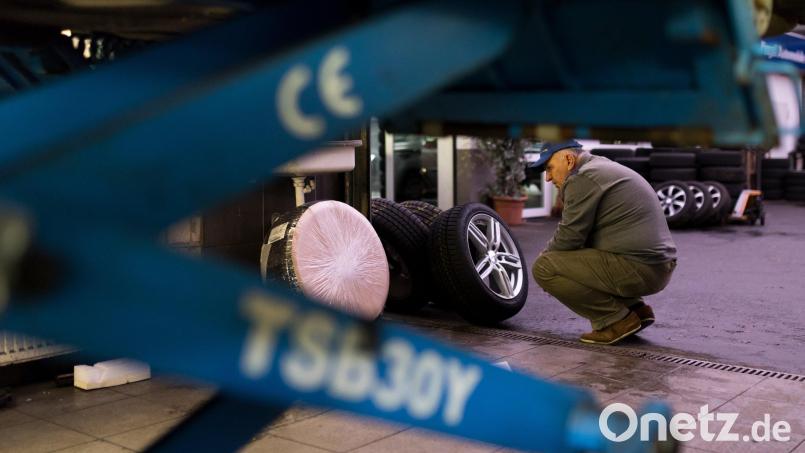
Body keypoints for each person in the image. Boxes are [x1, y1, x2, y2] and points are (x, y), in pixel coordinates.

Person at [530, 140, 677, 345]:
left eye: (549, 168)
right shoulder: (600, 167)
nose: (547, 178)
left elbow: (570, 236)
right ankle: (635, 310)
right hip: (655, 266)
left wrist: (545, 256)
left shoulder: (583, 178)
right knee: (572, 255)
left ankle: (615, 321)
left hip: (641, 267)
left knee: (545, 268)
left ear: (569, 160)